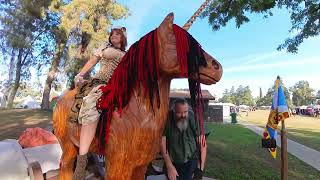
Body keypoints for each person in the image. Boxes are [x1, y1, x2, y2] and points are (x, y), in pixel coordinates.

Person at [71, 26, 127, 180]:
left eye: (118, 34)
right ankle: (82, 162)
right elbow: (92, 61)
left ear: (123, 38)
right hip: (100, 83)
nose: (114, 36)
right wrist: (81, 74)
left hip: (118, 86)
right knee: (92, 105)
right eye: (112, 34)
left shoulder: (127, 55)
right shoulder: (104, 47)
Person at [161, 98, 207, 180]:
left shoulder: (193, 117)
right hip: (173, 161)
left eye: (185, 112)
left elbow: (203, 144)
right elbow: (162, 143)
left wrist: (200, 169)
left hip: (191, 162)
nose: (183, 115)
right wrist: (169, 166)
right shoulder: (167, 118)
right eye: (179, 113)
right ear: (173, 111)